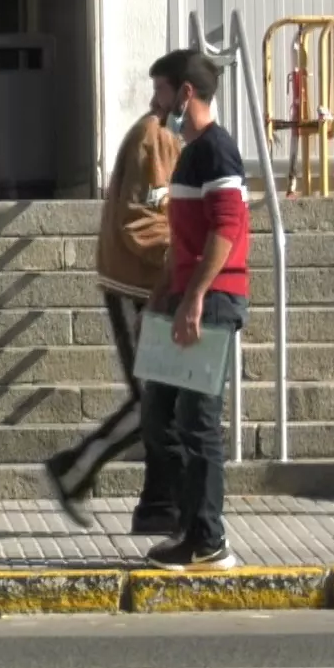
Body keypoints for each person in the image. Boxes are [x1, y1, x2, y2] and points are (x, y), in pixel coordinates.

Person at [43, 95, 183, 534]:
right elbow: (141, 219)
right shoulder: (155, 137)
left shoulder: (170, 137)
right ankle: (74, 471)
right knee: (152, 401)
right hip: (137, 286)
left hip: (151, 285)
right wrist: (183, 258)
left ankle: (159, 504)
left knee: (165, 402)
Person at [141, 49, 249, 571]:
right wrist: (164, 291)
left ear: (185, 93)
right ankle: (188, 528)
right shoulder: (189, 153)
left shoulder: (217, 152)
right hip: (184, 299)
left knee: (198, 419)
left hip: (212, 302)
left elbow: (227, 229)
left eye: (162, 92)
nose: (155, 103)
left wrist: (195, 297)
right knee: (161, 412)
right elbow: (182, 240)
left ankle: (210, 540)